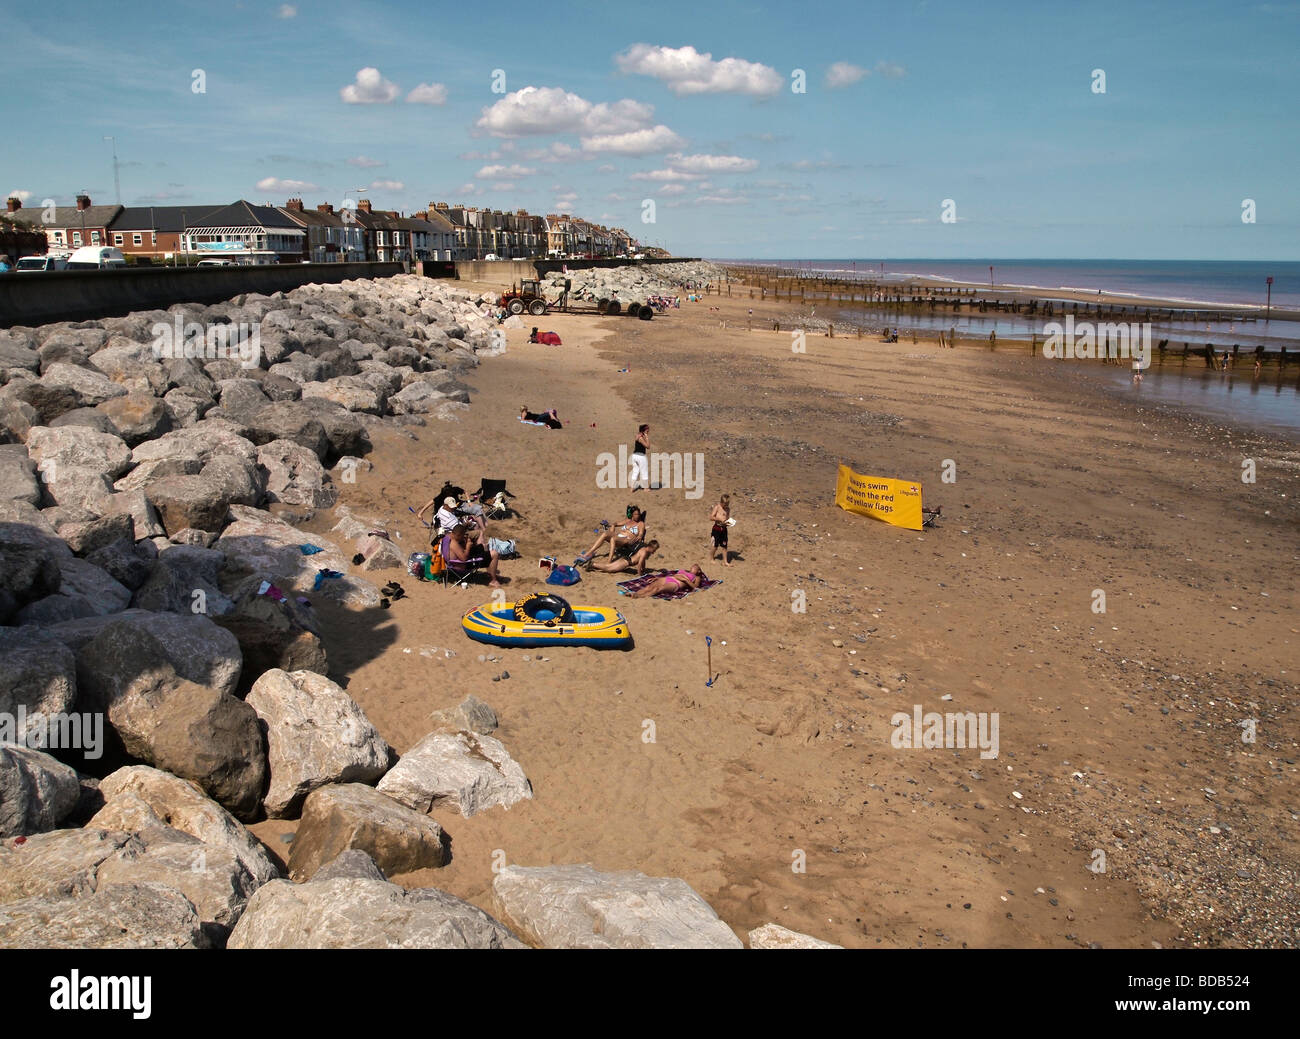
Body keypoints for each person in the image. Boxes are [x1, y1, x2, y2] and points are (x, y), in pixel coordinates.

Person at [577, 506, 646, 564]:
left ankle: (609, 562)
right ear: (632, 515)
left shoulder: (640, 524)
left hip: (627, 541)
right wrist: (612, 527)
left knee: (613, 539)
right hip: (619, 537)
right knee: (605, 534)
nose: (637, 516)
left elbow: (641, 533)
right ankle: (588, 553)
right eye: (635, 514)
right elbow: (615, 523)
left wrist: (640, 536)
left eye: (638, 514)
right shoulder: (628, 521)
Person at [445, 523, 502, 588]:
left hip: (454, 561)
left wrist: (464, 543)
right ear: (458, 535)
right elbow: (464, 559)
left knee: (484, 546)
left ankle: (490, 573)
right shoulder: (453, 543)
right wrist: (468, 546)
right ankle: (493, 581)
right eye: (462, 536)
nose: (463, 537)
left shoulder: (447, 537)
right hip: (461, 565)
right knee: (494, 554)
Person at [623, 564, 704, 598]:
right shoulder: (684, 571)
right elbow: (672, 575)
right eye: (693, 566)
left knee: (658, 589)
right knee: (649, 587)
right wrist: (657, 578)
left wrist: (685, 580)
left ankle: (639, 596)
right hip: (670, 578)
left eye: (696, 567)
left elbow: (696, 587)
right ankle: (634, 594)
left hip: (676, 583)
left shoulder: (697, 577)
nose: (694, 566)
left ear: (699, 571)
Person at [588, 539, 659, 575]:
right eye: (654, 550)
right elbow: (640, 564)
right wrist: (640, 574)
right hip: (626, 562)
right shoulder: (644, 552)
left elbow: (643, 562)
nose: (654, 552)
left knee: (609, 566)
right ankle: (593, 564)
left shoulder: (644, 549)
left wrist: (643, 569)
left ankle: (593, 565)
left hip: (626, 559)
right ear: (651, 547)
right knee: (609, 569)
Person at [709, 493, 732, 566]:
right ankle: (711, 558)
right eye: (725, 504)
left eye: (727, 504)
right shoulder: (717, 507)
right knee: (715, 545)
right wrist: (718, 518)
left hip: (724, 528)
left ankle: (725, 562)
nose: (726, 506)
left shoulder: (728, 509)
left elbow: (727, 518)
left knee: (724, 545)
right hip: (717, 528)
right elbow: (711, 517)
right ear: (721, 502)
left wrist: (728, 522)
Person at [630, 423, 650, 491]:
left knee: (635, 471)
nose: (648, 431)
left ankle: (632, 487)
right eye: (647, 430)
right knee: (644, 471)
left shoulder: (638, 435)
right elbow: (648, 446)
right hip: (641, 457)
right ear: (644, 430)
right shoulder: (641, 438)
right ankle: (646, 488)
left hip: (634, 456)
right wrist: (647, 437)